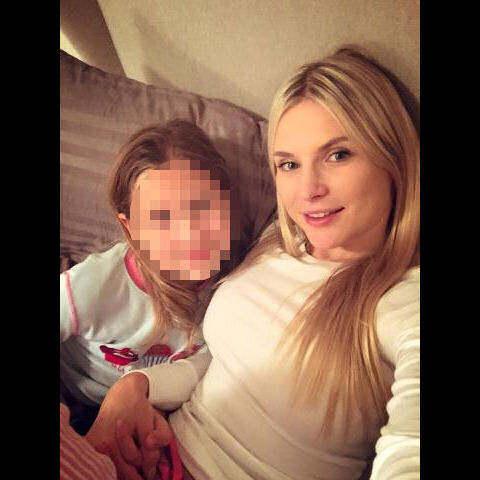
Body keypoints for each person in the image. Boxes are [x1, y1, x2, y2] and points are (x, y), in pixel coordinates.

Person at [85, 46, 420, 480]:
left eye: (338, 155)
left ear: (394, 158)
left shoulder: (404, 301)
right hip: (160, 452)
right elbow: (224, 362)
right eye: (289, 164)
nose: (308, 190)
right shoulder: (274, 242)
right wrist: (139, 386)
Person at [60, 120, 234, 434]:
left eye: (203, 208)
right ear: (129, 227)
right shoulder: (95, 284)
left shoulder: (234, 287)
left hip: (157, 409)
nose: (189, 234)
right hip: (78, 402)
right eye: (162, 218)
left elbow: (212, 361)